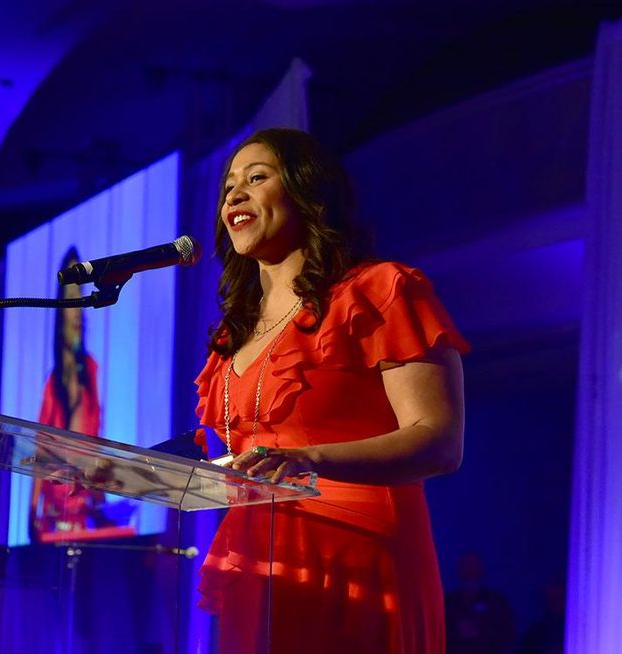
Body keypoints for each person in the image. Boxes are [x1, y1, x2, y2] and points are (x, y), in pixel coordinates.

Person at [193, 128, 469, 653]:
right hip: (262, 562)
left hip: (356, 556)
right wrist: (120, 470)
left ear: (306, 192)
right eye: (229, 185)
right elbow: (236, 456)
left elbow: (439, 440)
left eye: (257, 178)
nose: (234, 194)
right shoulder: (234, 334)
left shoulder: (380, 290)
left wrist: (307, 459)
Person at [30, 246, 107, 540]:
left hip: (84, 515)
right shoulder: (53, 383)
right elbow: (39, 448)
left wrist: (101, 499)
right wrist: (32, 511)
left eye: (80, 298)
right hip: (52, 519)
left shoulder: (91, 370)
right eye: (71, 300)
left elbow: (95, 442)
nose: (77, 310)